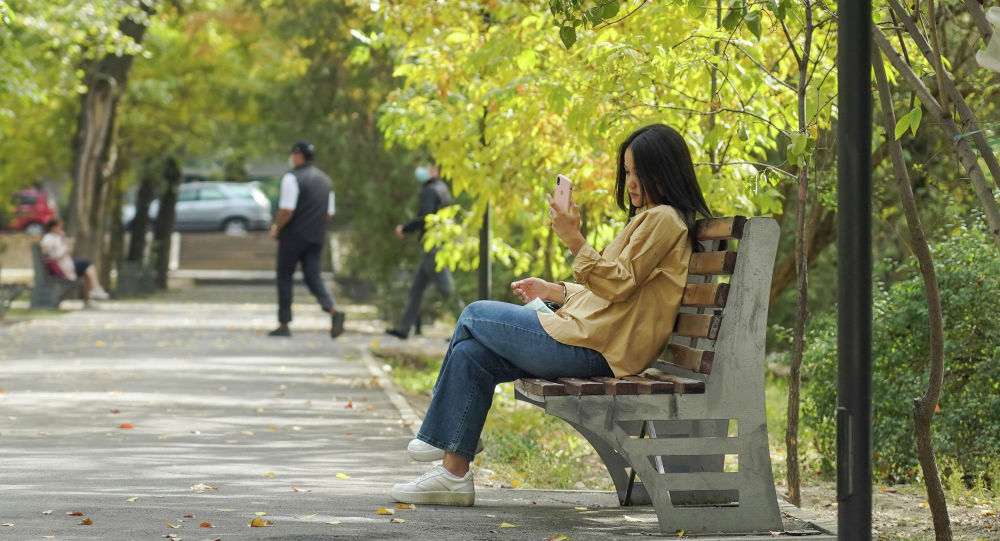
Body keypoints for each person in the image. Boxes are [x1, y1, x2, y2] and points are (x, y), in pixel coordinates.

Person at [390, 124, 713, 506]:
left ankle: (445, 433)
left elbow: (619, 284)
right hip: (593, 339)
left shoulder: (664, 220)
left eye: (638, 172)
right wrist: (555, 291)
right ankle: (453, 476)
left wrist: (573, 238)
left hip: (597, 350)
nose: (630, 182)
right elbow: (616, 294)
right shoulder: (653, 218)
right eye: (627, 171)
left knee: (474, 314)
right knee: (470, 355)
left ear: (665, 171)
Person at [268, 140, 345, 338]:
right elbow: (329, 213)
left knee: (285, 276)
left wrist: (277, 228)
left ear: (298, 156)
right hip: (316, 237)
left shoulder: (292, 178)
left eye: (293, 155)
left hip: (293, 237)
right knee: (313, 277)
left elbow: (287, 210)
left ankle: (284, 323)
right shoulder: (325, 180)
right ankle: (333, 309)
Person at [385, 162, 459, 340]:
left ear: (434, 170)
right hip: (439, 244)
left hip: (433, 248)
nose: (420, 170)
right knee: (416, 290)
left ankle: (471, 328)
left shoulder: (430, 190)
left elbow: (425, 218)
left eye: (425, 167)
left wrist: (405, 228)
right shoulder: (443, 189)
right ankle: (404, 328)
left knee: (448, 291)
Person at [39, 217, 110, 304]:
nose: (61, 229)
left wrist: (65, 243)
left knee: (87, 268)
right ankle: (95, 289)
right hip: (62, 267)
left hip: (66, 264)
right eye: (59, 227)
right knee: (88, 264)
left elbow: (65, 253)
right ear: (53, 227)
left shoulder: (55, 237)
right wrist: (66, 245)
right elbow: (54, 256)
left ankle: (91, 295)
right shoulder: (48, 239)